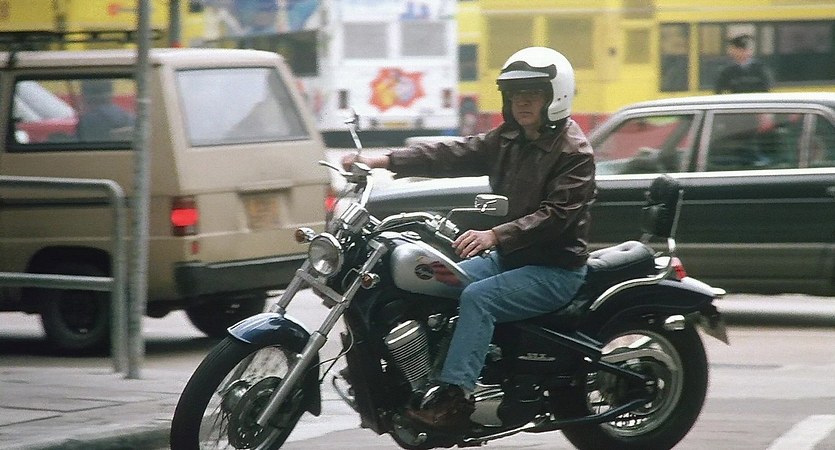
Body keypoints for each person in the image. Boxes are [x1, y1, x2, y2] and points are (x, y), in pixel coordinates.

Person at [341, 47, 596, 430]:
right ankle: (412, 374)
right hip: (511, 259)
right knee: (435, 280)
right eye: (516, 93)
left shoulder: (574, 152)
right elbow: (454, 152)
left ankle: (455, 397)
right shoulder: (509, 138)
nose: (522, 101)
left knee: (479, 297)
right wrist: (384, 161)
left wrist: (495, 234)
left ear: (554, 97)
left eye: (533, 93)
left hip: (554, 269)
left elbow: (557, 215)